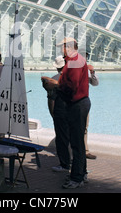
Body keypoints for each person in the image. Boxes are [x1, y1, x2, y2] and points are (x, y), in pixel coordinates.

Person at [43, 37, 90, 189]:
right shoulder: (75, 60)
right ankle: (81, 174)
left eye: (62, 47)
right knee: (77, 142)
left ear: (69, 47)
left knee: (76, 143)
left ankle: (77, 178)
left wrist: (55, 85)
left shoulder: (75, 62)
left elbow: (73, 86)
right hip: (77, 103)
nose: (61, 51)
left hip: (77, 104)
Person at [41, 56, 71, 173]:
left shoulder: (53, 80)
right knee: (73, 138)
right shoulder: (72, 78)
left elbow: (51, 99)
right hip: (73, 111)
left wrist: (53, 114)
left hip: (61, 112)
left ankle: (64, 163)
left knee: (62, 138)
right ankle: (74, 162)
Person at [85, 52, 98, 160]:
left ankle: (85, 151)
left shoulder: (88, 70)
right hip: (73, 102)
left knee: (84, 127)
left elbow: (95, 83)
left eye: (86, 57)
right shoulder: (71, 68)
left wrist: (92, 72)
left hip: (84, 102)